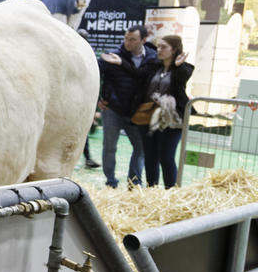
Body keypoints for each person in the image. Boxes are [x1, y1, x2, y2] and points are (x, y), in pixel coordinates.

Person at [101, 35, 193, 188]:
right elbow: (137, 74)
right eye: (158, 46)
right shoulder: (153, 65)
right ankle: (152, 189)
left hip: (171, 119)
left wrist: (177, 66)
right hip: (148, 117)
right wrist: (120, 62)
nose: (159, 50)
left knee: (166, 157)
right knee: (150, 156)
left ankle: (172, 191)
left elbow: (181, 80)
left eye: (164, 47)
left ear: (174, 50)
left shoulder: (183, 68)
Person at [97, 25, 157, 188]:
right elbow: (95, 72)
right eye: (126, 38)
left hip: (137, 113)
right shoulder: (112, 56)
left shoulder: (152, 58)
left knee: (140, 148)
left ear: (143, 40)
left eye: (133, 40)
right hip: (113, 110)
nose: (128, 42)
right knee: (109, 147)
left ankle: (134, 182)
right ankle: (111, 181)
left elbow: (143, 76)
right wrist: (98, 99)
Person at [77, 28, 100, 168]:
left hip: (80, 100)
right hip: (73, 100)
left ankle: (87, 158)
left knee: (81, 133)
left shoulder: (87, 58)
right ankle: (87, 158)